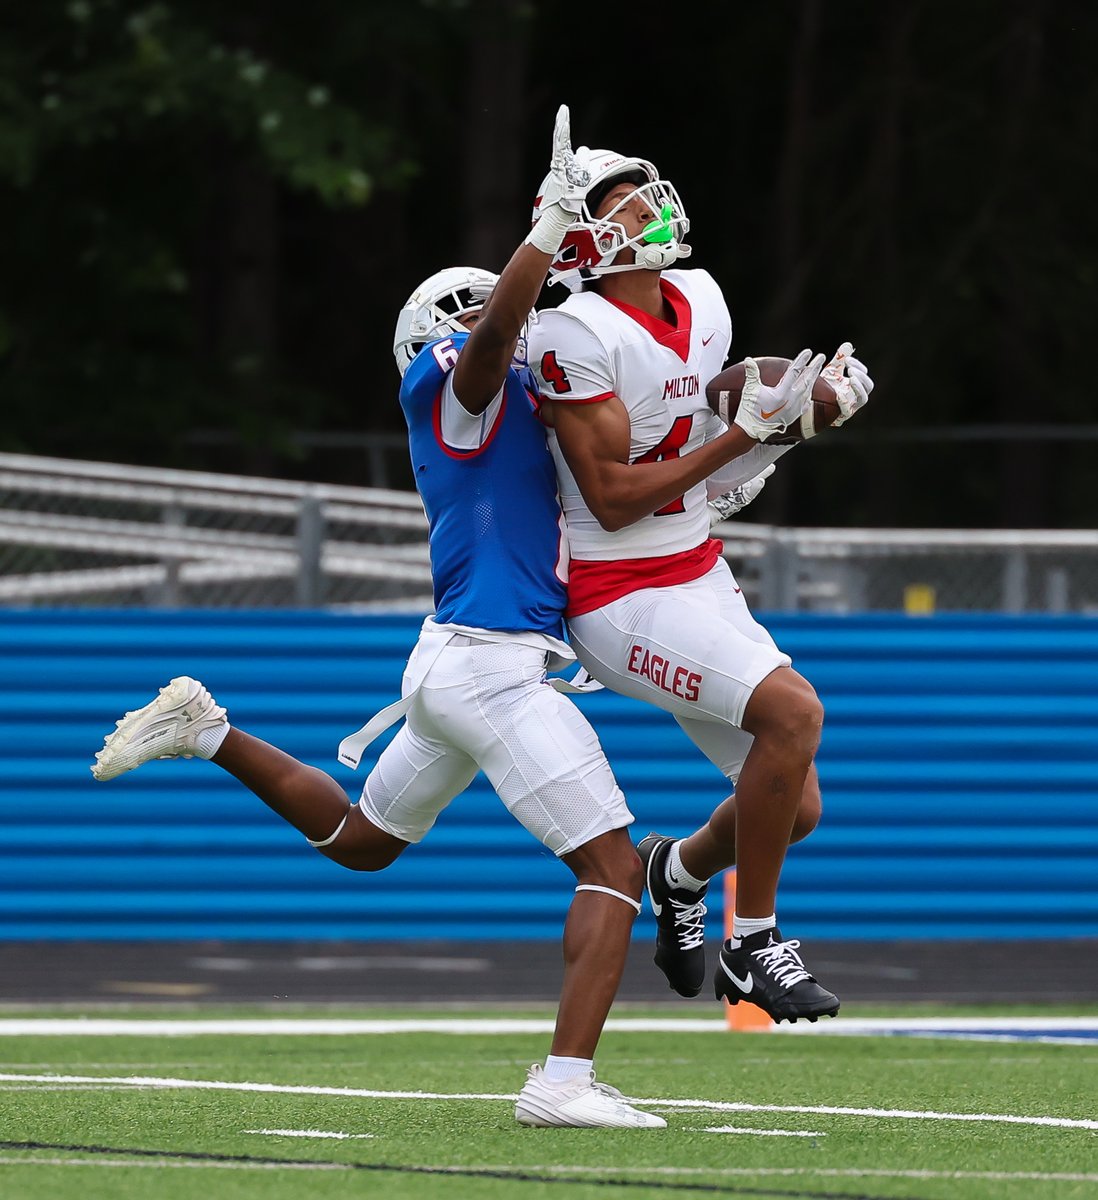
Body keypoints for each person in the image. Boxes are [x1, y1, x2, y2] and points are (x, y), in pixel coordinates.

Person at [89, 108, 669, 1129]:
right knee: (616, 866)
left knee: (362, 841)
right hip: (487, 665)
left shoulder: (523, 407)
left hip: (454, 665)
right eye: (488, 313)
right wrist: (543, 234)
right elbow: (490, 345)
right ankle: (562, 1085)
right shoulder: (447, 384)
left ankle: (208, 728)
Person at [526, 143, 873, 1023]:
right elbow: (608, 500)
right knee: (794, 714)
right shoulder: (573, 332)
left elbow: (713, 395)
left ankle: (671, 871)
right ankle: (754, 944)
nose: (649, 208)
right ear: (584, 240)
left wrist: (798, 405)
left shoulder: (701, 296)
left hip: (694, 567)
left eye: (647, 193)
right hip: (616, 593)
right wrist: (739, 436)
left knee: (793, 809)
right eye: (625, 203)